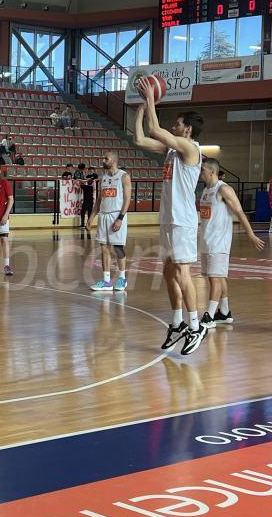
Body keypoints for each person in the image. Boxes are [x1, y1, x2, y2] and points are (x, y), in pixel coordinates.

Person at [133, 79, 208, 356]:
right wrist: (141, 107)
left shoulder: (190, 149)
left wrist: (151, 97)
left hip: (184, 220)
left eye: (176, 125)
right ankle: (177, 323)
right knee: (167, 272)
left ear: (187, 129)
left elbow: (155, 129)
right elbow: (140, 138)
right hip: (169, 219)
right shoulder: (171, 151)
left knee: (182, 273)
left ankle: (196, 325)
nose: (173, 127)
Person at [198, 158, 265, 328]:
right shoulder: (206, 190)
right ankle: (224, 312)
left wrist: (251, 234)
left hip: (219, 242)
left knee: (215, 278)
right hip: (206, 240)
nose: (200, 173)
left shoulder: (224, 189)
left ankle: (210, 315)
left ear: (212, 171)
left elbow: (240, 212)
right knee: (216, 277)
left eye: (203, 170)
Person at [88, 151, 131, 292]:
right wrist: (91, 217)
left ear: (113, 160)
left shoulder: (124, 176)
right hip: (104, 216)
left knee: (118, 248)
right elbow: (99, 200)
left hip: (116, 215)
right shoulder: (103, 178)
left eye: (106, 158)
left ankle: (122, 278)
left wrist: (120, 218)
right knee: (104, 248)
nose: (103, 160)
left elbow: (127, 200)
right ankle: (107, 281)